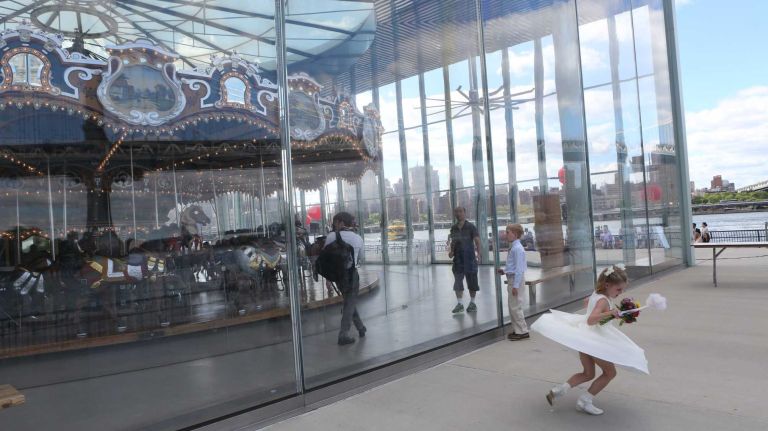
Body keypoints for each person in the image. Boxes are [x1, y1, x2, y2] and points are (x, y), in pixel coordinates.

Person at [531, 265, 648, 415]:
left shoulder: (597, 294)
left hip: (585, 339)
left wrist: (611, 314)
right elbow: (591, 320)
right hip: (595, 341)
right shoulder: (604, 301)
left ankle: (559, 390)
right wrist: (611, 312)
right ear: (607, 285)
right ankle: (585, 401)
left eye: (622, 290)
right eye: (618, 289)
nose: (621, 292)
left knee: (588, 373)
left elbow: (588, 303)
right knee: (610, 373)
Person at [324, 212, 366, 345]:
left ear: (340, 222)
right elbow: (360, 259)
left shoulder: (331, 236)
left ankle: (360, 327)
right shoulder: (358, 238)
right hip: (351, 274)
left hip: (337, 275)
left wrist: (328, 278)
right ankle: (344, 334)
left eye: (335, 222)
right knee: (350, 302)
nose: (334, 224)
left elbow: (326, 259)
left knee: (349, 302)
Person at [497, 223, 529, 340]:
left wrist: (515, 286)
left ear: (515, 234)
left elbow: (519, 269)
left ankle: (523, 331)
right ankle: (518, 330)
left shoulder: (517, 249)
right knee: (513, 306)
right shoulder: (515, 247)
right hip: (512, 279)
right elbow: (514, 266)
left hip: (516, 280)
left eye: (507, 232)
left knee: (516, 307)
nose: (506, 234)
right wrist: (505, 271)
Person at [448, 206, 481, 314]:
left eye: (460, 211)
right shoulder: (453, 228)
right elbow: (453, 242)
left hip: (470, 259)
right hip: (458, 259)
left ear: (464, 212)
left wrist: (479, 254)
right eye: (456, 212)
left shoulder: (471, 227)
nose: (458, 213)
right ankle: (460, 304)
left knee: (472, 282)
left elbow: (477, 240)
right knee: (458, 282)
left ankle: (472, 303)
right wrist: (452, 252)